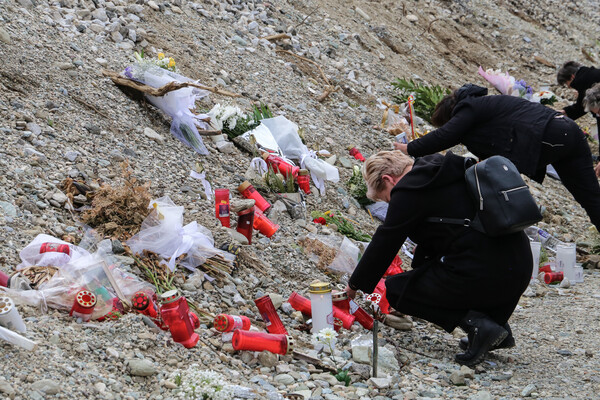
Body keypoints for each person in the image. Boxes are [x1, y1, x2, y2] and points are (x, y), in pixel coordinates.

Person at [344, 150, 532, 366]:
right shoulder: (441, 170)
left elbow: (385, 242)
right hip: (519, 266)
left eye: (387, 197)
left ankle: (479, 326)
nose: (391, 203)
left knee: (398, 290)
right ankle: (497, 329)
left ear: (388, 179)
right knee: (439, 271)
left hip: (490, 273)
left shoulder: (409, 189)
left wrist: (354, 285)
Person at [394, 84, 600, 233]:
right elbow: (493, 150)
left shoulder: (469, 108)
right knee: (591, 197)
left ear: (452, 114)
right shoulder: (487, 112)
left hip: (551, 135)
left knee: (589, 196)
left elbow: (446, 136)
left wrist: (409, 148)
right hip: (568, 131)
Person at [557, 61, 600, 140]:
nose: (569, 87)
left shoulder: (581, 80)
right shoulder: (588, 73)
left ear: (572, 77)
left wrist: (565, 112)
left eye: (567, 83)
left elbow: (582, 106)